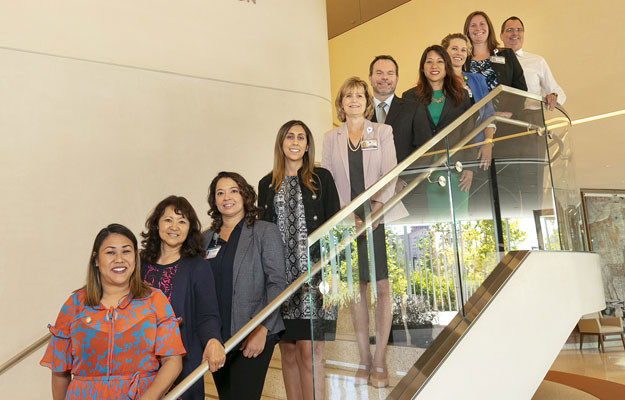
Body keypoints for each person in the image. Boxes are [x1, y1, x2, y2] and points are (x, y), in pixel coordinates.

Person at [322, 76, 407, 388]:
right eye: (348, 96)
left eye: (360, 95)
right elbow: (328, 180)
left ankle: (381, 358)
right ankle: (363, 358)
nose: (354, 100)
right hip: (348, 221)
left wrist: (375, 208)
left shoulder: (382, 131)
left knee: (382, 288)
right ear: (341, 104)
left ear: (368, 102)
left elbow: (391, 171)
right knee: (358, 290)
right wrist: (349, 218)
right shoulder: (331, 138)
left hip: (380, 217)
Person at [40, 223, 186, 400]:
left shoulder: (155, 300)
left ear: (135, 258)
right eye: (110, 252)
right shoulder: (74, 305)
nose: (119, 259)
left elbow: (172, 360)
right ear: (96, 259)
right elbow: (59, 371)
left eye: (126, 251)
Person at [258, 120, 341, 400]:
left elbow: (334, 227)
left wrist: (334, 274)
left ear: (307, 145)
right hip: (280, 281)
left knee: (310, 351)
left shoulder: (322, 178)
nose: (295, 141)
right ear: (281, 143)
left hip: (313, 277)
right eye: (290, 136)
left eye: (301, 137)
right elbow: (263, 235)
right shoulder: (266, 184)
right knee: (289, 353)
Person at [203, 171, 286, 400]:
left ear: (245, 195)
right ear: (214, 200)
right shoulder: (206, 238)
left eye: (233, 190)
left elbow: (277, 284)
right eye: (220, 193)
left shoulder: (264, 232)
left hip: (252, 334)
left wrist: (262, 329)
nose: (226, 197)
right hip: (219, 339)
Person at [140, 195, 225, 399]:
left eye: (182, 221)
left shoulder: (198, 266)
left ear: (189, 229)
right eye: (168, 220)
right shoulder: (139, 262)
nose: (174, 227)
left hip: (182, 360)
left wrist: (213, 340)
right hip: (141, 360)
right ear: (156, 224)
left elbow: (207, 314)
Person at [402, 45, 473, 218]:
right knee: (431, 226)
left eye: (440, 62)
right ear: (422, 68)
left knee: (458, 223)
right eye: (429, 62)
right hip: (423, 173)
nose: (434, 66)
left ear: (447, 66)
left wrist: (471, 168)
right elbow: (406, 137)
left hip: (455, 170)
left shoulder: (462, 96)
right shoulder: (409, 97)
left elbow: (469, 133)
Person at [441, 33, 496, 170]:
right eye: (454, 49)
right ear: (444, 52)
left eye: (463, 50)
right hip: (451, 153)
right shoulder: (438, 82)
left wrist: (488, 143)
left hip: (479, 151)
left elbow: (488, 114)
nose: (459, 53)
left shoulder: (478, 80)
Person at [463, 10, 527, 119]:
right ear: (468, 31)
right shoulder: (463, 61)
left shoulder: (507, 55)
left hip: (505, 121)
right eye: (473, 25)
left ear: (489, 28)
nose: (478, 28)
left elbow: (520, 88)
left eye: (482, 24)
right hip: (475, 124)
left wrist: (509, 113)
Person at [500, 16, 566, 111]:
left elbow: (559, 93)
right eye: (509, 30)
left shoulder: (537, 61)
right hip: (501, 118)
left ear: (523, 34)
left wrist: (553, 97)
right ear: (501, 36)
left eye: (519, 30)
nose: (515, 33)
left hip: (532, 119)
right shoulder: (494, 62)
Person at [368, 55, 422, 162]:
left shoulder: (414, 109)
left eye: (390, 73)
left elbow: (423, 148)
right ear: (370, 78)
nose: (385, 77)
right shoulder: (360, 112)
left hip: (404, 177)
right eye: (379, 73)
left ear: (397, 78)